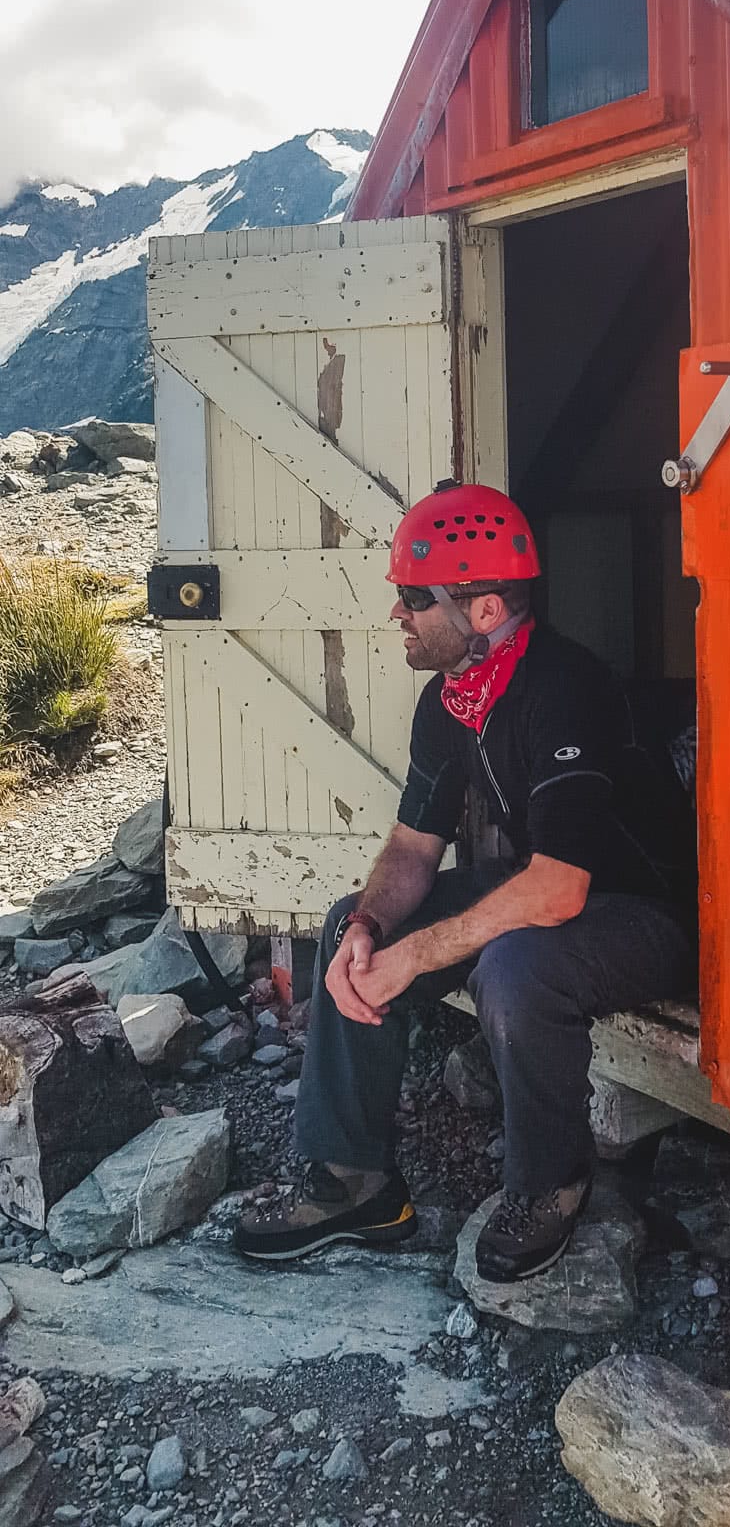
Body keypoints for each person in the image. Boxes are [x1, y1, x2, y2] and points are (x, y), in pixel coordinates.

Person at [236, 482, 697, 1283]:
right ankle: (353, 1183)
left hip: (646, 913)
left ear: (483, 611)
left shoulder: (565, 687)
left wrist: (414, 958)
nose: (398, 615)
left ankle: (550, 1185)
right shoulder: (451, 701)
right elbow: (415, 850)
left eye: (414, 598)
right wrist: (373, 930)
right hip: (547, 888)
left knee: (515, 968)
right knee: (355, 916)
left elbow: (558, 891)